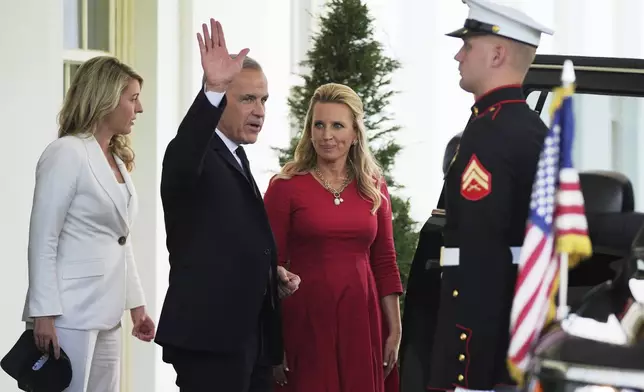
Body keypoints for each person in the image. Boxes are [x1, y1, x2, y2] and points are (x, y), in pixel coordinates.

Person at [154, 18, 301, 392]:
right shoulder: (194, 152)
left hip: (250, 337)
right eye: (247, 99)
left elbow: (229, 233)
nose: (260, 111)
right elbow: (187, 155)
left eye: (264, 99)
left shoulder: (235, 155)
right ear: (220, 104)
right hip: (210, 338)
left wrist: (269, 274)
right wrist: (213, 89)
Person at [424, 0, 554, 391]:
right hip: (514, 329)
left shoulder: (491, 132)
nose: (458, 54)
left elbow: (484, 253)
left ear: (498, 53)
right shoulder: (529, 126)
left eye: (468, 45)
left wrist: (467, 361)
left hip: (482, 340)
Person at [22, 55, 155, 392]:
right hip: (67, 311)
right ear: (106, 97)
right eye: (133, 98)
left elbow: (120, 240)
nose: (139, 109)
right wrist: (43, 312)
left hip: (108, 311)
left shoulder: (115, 160)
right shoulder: (66, 153)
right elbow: (43, 238)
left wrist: (137, 307)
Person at [264, 83, 404, 392]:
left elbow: (385, 261)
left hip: (362, 321)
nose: (327, 135)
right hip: (305, 322)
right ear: (309, 131)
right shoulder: (285, 186)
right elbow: (267, 267)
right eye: (319, 125)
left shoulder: (374, 187)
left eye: (337, 125)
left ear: (355, 133)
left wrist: (394, 330)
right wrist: (272, 342)